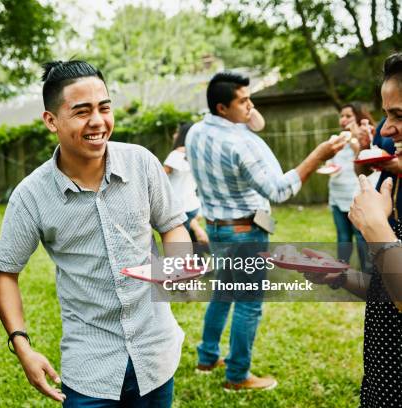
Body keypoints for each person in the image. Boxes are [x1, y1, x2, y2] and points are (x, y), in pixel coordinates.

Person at [0, 60, 191, 407]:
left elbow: (172, 225)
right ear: (51, 120)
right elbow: (6, 273)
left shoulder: (142, 163)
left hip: (155, 352)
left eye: (104, 108)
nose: (97, 121)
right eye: (82, 111)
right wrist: (22, 346)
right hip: (90, 367)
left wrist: (177, 264)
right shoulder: (31, 195)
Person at [186, 71, 345, 391]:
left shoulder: (195, 132)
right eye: (243, 100)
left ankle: (207, 357)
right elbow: (279, 190)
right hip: (246, 232)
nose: (251, 105)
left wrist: (244, 110)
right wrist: (317, 156)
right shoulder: (242, 143)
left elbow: (253, 120)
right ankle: (237, 376)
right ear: (222, 108)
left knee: (222, 292)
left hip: (216, 230)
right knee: (248, 302)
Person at [305, 53, 402, 408]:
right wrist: (342, 275)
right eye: (386, 114)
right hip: (381, 382)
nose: (385, 130)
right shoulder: (398, 187)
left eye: (398, 116)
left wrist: (377, 230)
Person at [327, 102, 374, 271]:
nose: (343, 119)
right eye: (342, 116)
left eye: (348, 116)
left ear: (358, 118)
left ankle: (367, 274)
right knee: (343, 237)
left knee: (360, 237)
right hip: (336, 196)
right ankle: (340, 272)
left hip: (354, 197)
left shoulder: (365, 140)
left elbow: (366, 168)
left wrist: (357, 144)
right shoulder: (335, 140)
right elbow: (330, 164)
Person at [163, 122, 209, 246]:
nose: (174, 134)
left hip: (179, 208)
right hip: (193, 205)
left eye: (177, 132)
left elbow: (159, 177)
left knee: (181, 251)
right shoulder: (198, 154)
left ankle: (200, 232)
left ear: (183, 135)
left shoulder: (176, 154)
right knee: (194, 249)